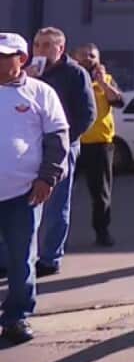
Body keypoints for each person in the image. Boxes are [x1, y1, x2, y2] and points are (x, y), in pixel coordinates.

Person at [3, 28, 95, 278]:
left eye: (46, 45)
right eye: (36, 45)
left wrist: (63, 142)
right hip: (29, 149)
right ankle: (14, 257)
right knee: (20, 205)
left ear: (60, 48)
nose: (40, 50)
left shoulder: (75, 73)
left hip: (61, 147)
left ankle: (50, 257)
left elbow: (87, 114)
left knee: (56, 204)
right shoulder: (25, 73)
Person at [0, 32, 69, 344]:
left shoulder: (40, 93)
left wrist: (47, 178)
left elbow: (58, 138)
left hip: (23, 193)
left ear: (22, 59)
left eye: (4, 56)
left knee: (21, 258)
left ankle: (16, 317)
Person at [72, 44, 124, 247]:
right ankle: (57, 236)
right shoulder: (70, 79)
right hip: (73, 143)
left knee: (101, 193)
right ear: (74, 58)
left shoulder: (107, 80)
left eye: (92, 55)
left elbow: (118, 101)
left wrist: (102, 83)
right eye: (83, 55)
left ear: (99, 59)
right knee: (61, 193)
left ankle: (102, 232)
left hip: (100, 145)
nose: (88, 58)